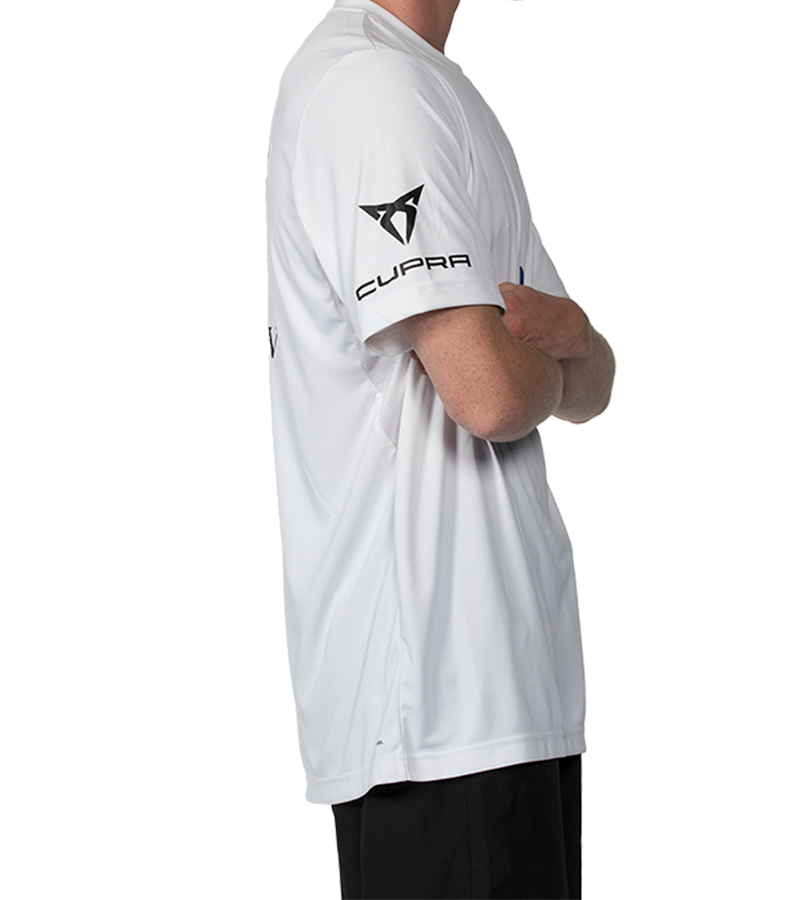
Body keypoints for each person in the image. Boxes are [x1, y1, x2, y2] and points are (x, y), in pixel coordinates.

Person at [266, 0, 616, 896]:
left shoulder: (431, 84)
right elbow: (491, 393)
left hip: (506, 696)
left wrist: (571, 340)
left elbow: (591, 385)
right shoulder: (370, 88)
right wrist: (555, 351)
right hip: (434, 706)